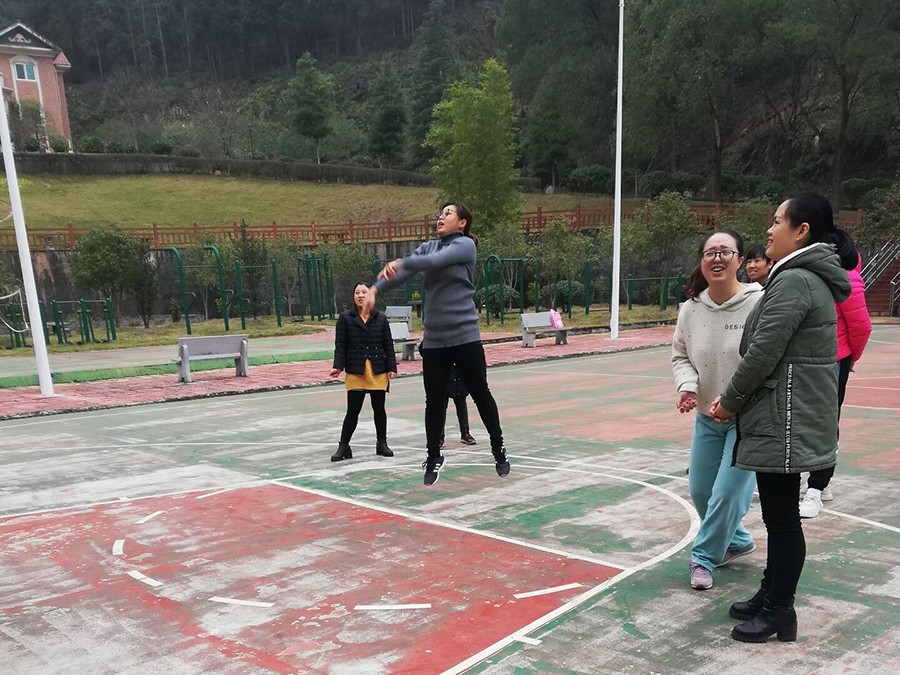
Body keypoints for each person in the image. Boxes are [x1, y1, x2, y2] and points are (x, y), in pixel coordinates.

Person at [710, 191, 856, 643]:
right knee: (778, 516)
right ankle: (770, 593)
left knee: (783, 519)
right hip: (785, 410)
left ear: (802, 230)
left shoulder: (796, 280)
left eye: (777, 221)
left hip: (785, 414)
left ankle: (779, 610)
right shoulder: (800, 276)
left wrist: (730, 401)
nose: (770, 230)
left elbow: (762, 353)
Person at [366, 201, 510, 486]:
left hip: (465, 336)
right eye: (439, 214)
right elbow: (403, 274)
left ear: (462, 222)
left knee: (480, 393)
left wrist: (402, 261)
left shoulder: (465, 246)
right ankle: (433, 456)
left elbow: (432, 263)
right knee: (434, 401)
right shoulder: (427, 247)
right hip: (434, 340)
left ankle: (498, 447)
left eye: (448, 213)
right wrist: (374, 290)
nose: (440, 217)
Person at [672, 230, 762, 591]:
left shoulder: (759, 303)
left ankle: (703, 557)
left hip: (747, 419)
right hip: (708, 419)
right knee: (701, 491)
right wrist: (687, 385)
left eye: (726, 251)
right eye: (710, 252)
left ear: (740, 260)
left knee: (727, 494)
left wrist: (734, 400)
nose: (718, 258)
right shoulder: (691, 309)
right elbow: (681, 355)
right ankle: (737, 540)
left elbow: (764, 360)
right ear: (702, 261)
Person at [799, 254, 872, 518]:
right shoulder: (806, 272)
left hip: (833, 358)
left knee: (825, 422)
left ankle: (817, 487)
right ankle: (820, 479)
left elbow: (861, 326)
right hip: (806, 358)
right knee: (805, 420)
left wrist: (850, 358)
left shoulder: (847, 276)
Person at [329, 282, 397, 462]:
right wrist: (338, 366)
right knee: (353, 411)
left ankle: (382, 443)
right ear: (353, 296)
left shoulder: (380, 318)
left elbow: (388, 345)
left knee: (379, 409)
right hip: (356, 370)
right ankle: (343, 446)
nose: (360, 295)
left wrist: (391, 368)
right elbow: (341, 345)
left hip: (377, 371)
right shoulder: (345, 318)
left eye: (364, 292)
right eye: (357, 292)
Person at [440, 364, 477, 448]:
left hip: (458, 373)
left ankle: (465, 433)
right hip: (443, 372)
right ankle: (439, 437)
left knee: (461, 403)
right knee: (441, 407)